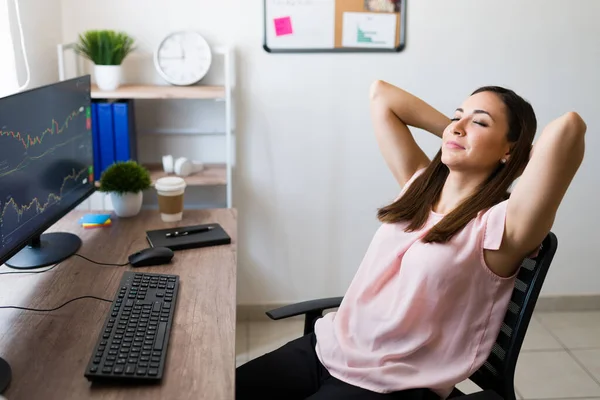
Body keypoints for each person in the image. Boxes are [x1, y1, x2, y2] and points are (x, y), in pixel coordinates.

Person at [235, 81, 587, 400]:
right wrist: (456, 134)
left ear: (510, 149)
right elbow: (381, 95)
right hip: (328, 348)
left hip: (392, 384)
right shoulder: (419, 187)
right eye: (456, 116)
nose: (459, 125)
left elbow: (569, 127)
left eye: (480, 122)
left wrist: (509, 159)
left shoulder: (502, 226)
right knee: (216, 389)